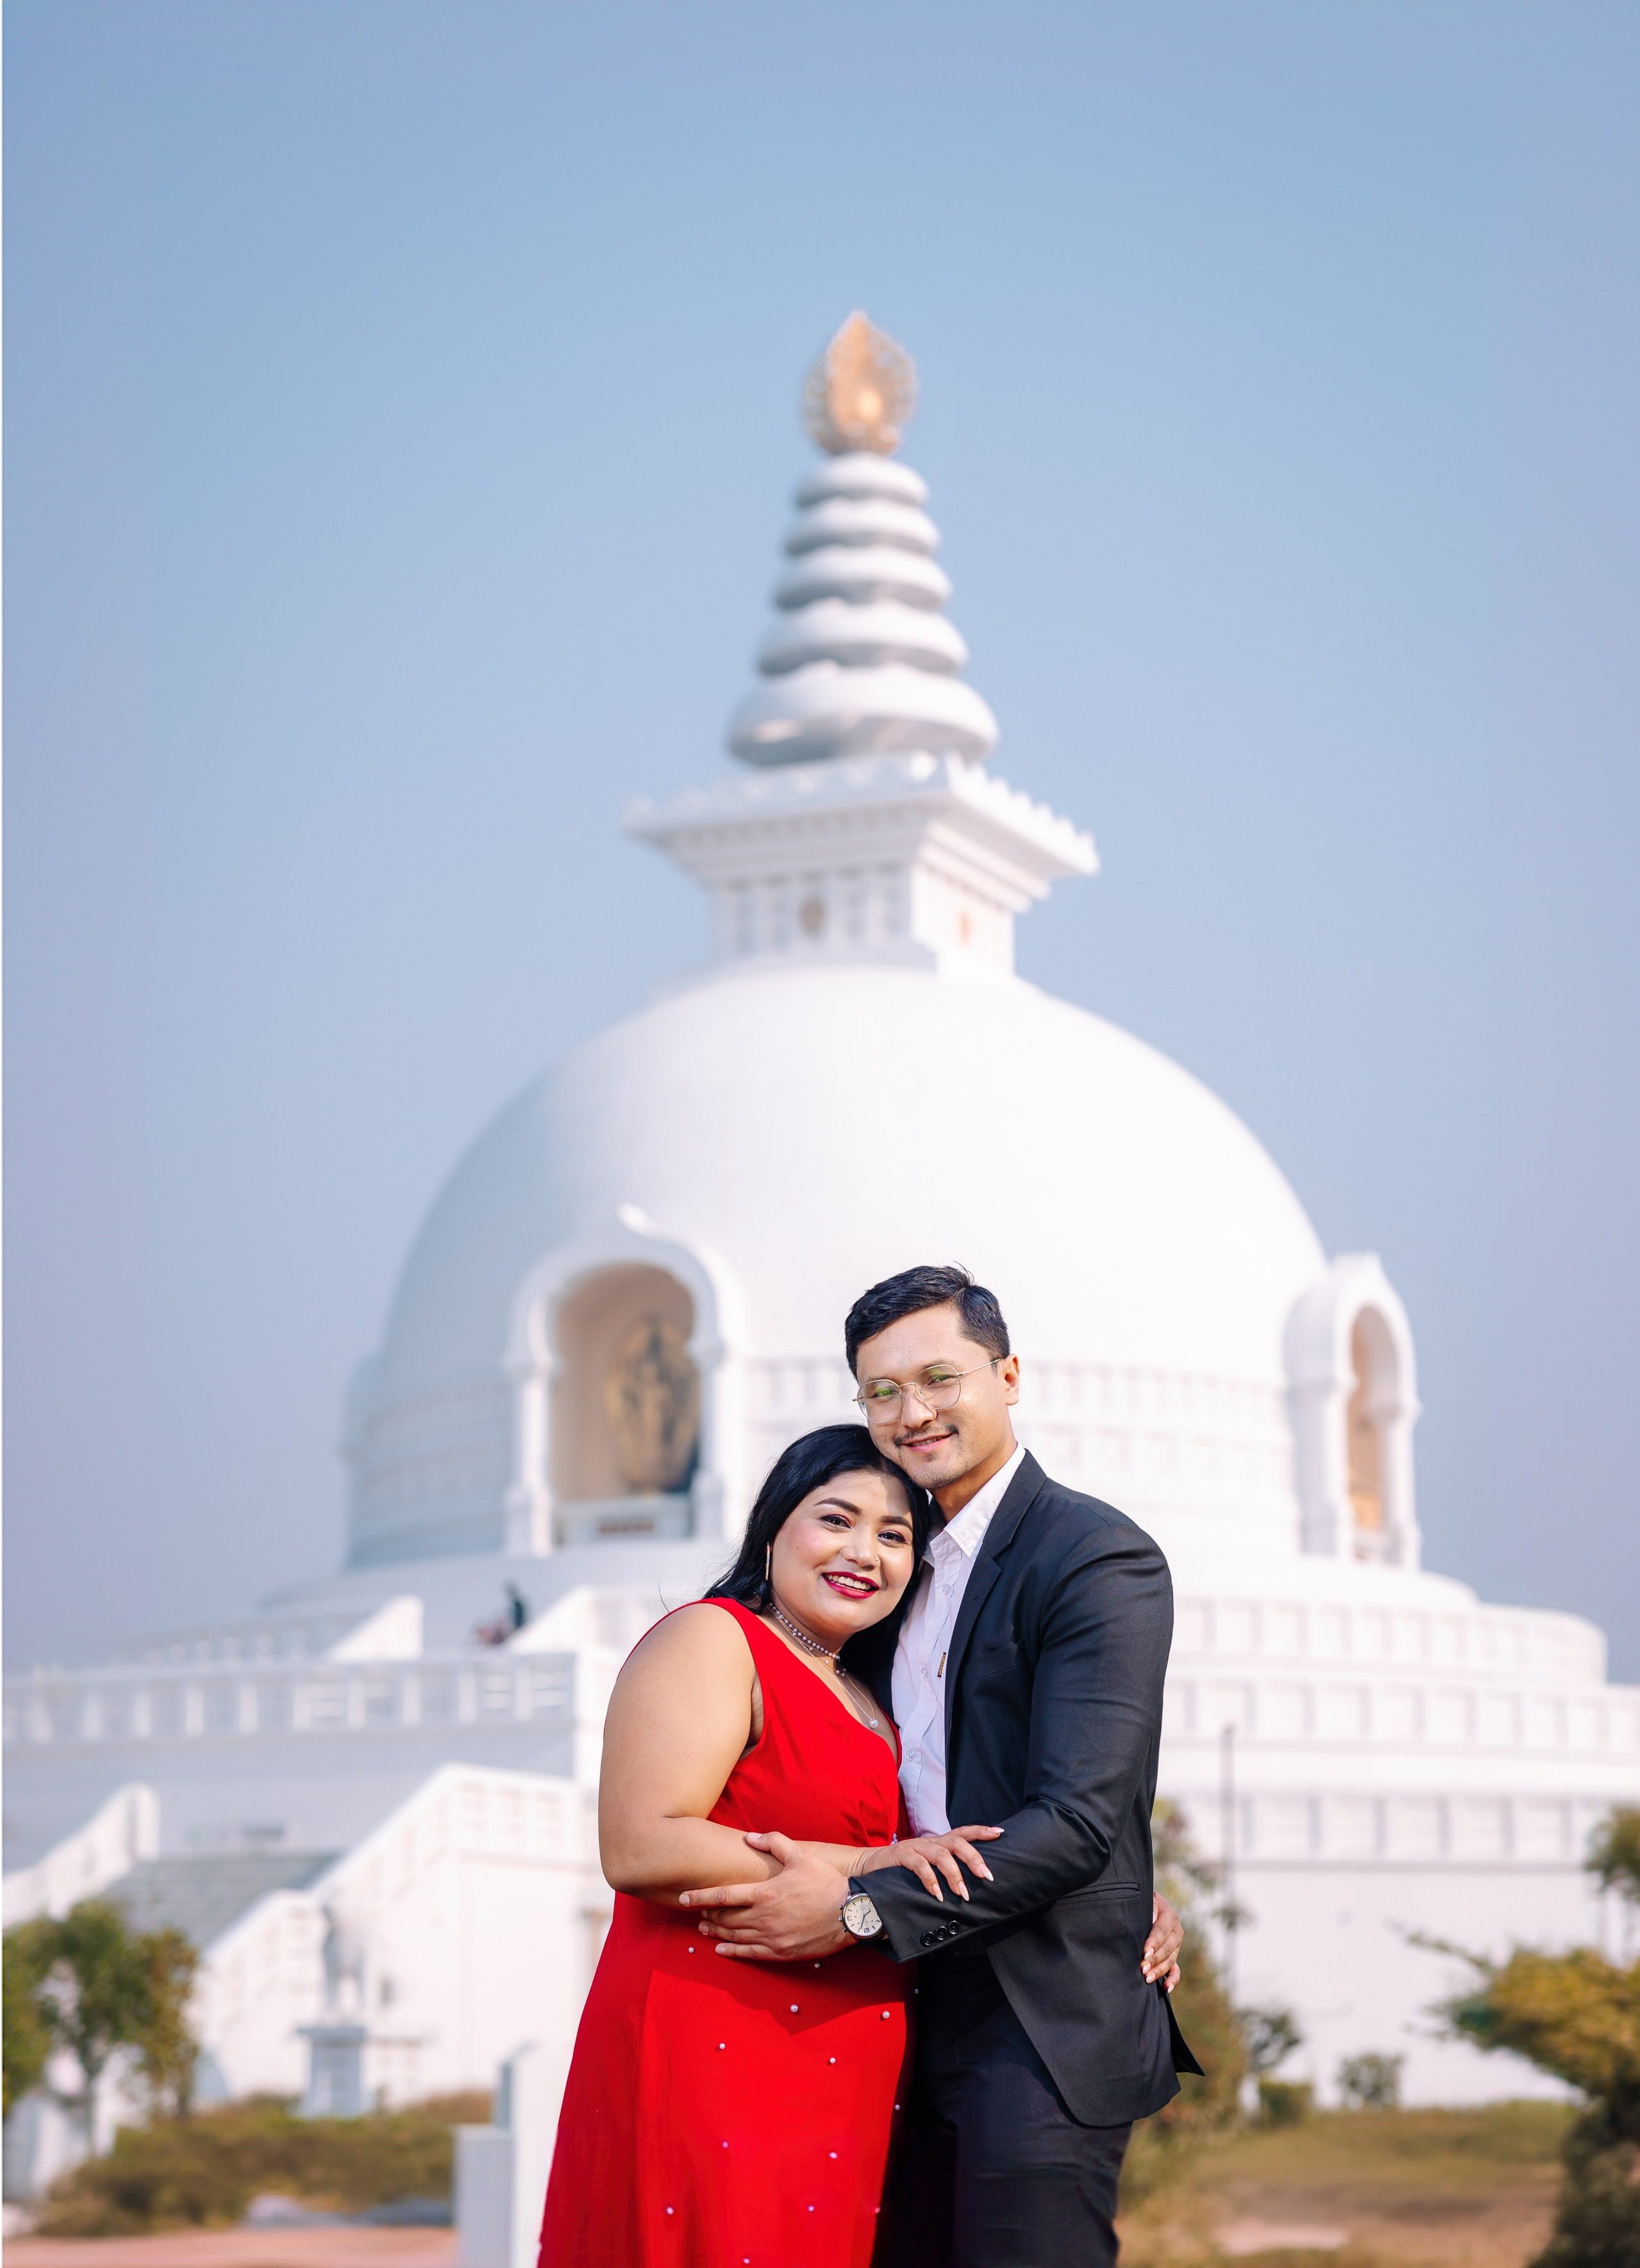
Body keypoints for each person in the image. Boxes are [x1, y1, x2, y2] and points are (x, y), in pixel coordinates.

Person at [688, 1267, 1199, 2267]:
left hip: (1032, 2020)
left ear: (1008, 1376)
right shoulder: (882, 1565)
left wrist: (857, 1908)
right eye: (882, 1391)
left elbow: (1079, 1820)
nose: (912, 1413)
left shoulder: (1095, 1557)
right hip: (871, 2012)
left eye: (938, 1379)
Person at [537, 1423, 1006, 2267]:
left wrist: (1117, 1896)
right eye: (836, 1519)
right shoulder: (717, 1638)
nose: (863, 1552)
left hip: (844, 2068)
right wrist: (865, 1867)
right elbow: (640, 1844)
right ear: (773, 1527)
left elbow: (947, 1851)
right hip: (715, 2041)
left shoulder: (872, 1694)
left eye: (894, 1535)